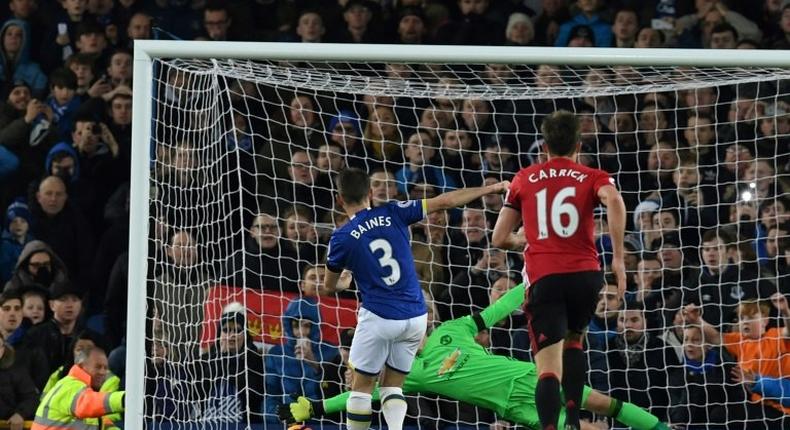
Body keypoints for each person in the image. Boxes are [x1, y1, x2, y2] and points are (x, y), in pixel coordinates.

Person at [280, 283, 669, 430]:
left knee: (605, 402)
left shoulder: (452, 330)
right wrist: (316, 408)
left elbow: (498, 311)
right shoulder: (406, 373)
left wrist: (532, 280)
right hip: (513, 405)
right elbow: (361, 397)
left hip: (530, 375)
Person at [322, 167, 508, 430]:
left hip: (379, 317)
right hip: (416, 317)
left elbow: (329, 286)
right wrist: (491, 188)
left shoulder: (340, 238)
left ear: (339, 199)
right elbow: (445, 201)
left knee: (360, 390)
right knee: (392, 386)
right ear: (370, 193)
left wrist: (344, 282)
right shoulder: (394, 211)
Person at [492, 110, 627, 430]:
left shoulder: (525, 178)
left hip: (546, 276)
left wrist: (523, 239)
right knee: (575, 341)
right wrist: (618, 258)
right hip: (585, 276)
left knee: (548, 367)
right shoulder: (594, 176)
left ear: (545, 147)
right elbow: (615, 201)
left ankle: (553, 427)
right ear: (578, 145)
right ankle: (575, 423)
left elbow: (499, 238)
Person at [32, 346, 124, 430]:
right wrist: (123, 399)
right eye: (98, 367)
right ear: (81, 365)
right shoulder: (69, 386)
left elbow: (101, 424)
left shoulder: (83, 390)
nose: (103, 372)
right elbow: (88, 403)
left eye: (105, 368)